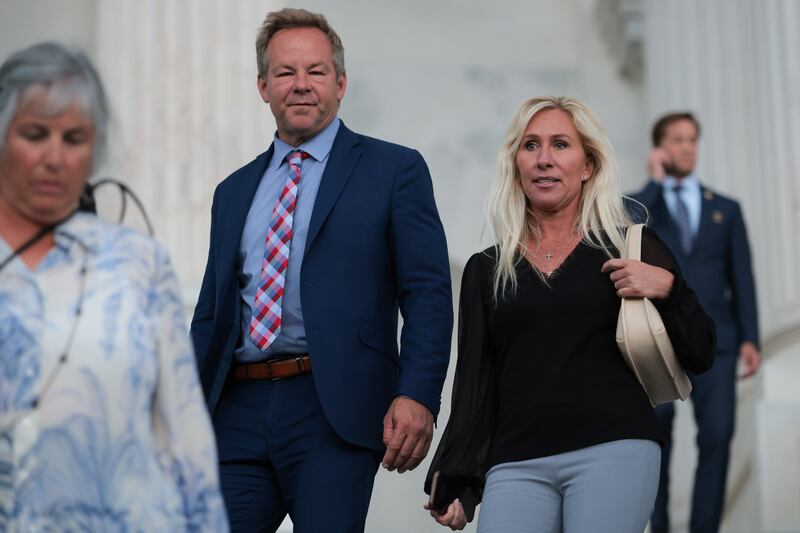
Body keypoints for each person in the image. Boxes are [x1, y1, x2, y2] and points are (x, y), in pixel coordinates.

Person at [190, 8, 453, 532]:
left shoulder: (394, 169)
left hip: (333, 405)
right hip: (235, 411)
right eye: (286, 73)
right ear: (264, 87)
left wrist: (418, 393)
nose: (302, 85)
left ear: (341, 82)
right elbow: (210, 313)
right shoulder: (233, 191)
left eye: (315, 71)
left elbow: (427, 292)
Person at [424, 96, 716, 532]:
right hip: (515, 462)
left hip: (616, 448)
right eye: (531, 146)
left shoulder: (631, 244)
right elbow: (474, 385)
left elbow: (702, 351)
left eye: (561, 145)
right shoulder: (485, 269)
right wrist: (460, 477)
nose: (544, 159)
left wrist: (669, 289)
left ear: (588, 166)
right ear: (516, 165)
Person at [0, 42, 227, 531]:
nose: (54, 157)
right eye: (35, 134)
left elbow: (185, 435)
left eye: (75, 138)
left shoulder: (136, 264)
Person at [631, 112, 760, 533]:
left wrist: (751, 338)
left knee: (718, 437)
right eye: (676, 139)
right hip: (659, 339)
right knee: (659, 436)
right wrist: (654, 183)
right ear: (659, 148)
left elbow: (741, 278)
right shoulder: (641, 203)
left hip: (718, 342)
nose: (686, 147)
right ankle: (661, 527)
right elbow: (626, 232)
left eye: (691, 139)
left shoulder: (725, 209)